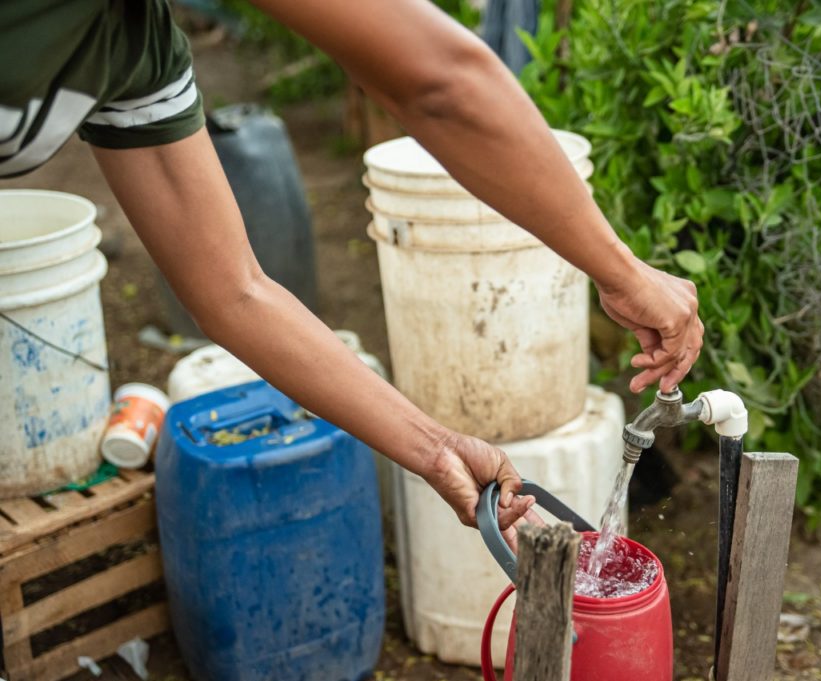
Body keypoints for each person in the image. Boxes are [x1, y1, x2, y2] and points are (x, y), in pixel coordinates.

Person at [0, 0, 703, 542]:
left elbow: (234, 290)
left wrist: (435, 449)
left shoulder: (132, 50)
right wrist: (625, 273)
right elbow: (439, 79)